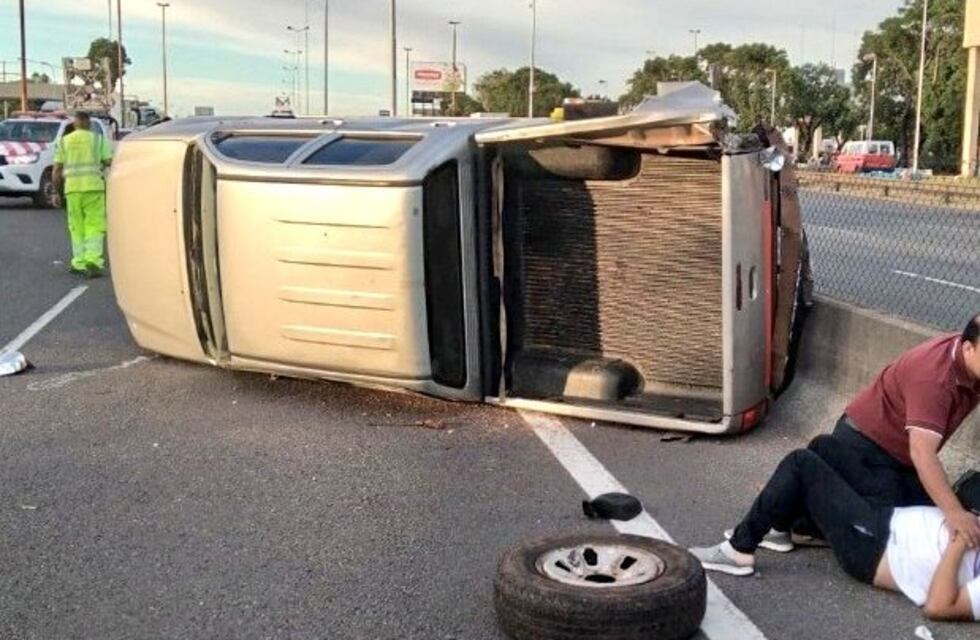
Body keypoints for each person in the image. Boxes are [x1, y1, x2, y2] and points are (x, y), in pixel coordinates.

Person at [690, 448, 980, 621]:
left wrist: (957, 545)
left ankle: (738, 550)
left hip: (875, 547)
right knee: (828, 448)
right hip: (888, 518)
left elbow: (939, 606)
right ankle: (782, 524)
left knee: (801, 463)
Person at [791, 315, 980, 548]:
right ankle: (803, 521)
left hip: (900, 458)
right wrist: (954, 513)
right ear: (968, 347)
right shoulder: (935, 380)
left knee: (928, 520)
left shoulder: (969, 356)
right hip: (863, 446)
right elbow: (922, 454)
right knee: (890, 530)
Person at [52, 111, 113, 277]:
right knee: (94, 224)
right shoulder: (97, 140)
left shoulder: (64, 141)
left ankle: (78, 262)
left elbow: (57, 169)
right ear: (88, 123)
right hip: (94, 188)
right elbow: (108, 161)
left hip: (72, 189)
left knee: (76, 226)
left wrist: (56, 193)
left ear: (74, 123)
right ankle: (92, 261)